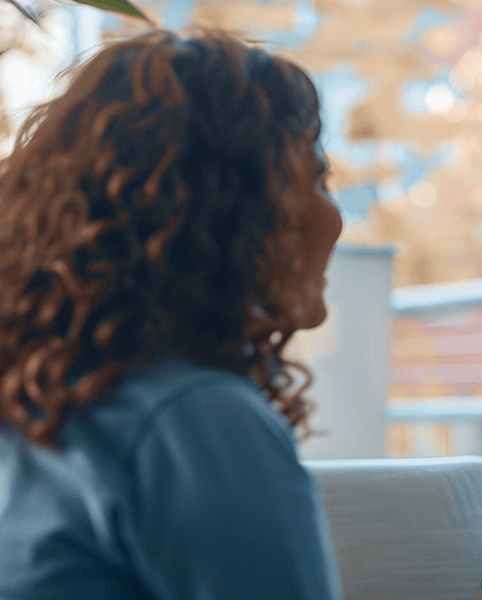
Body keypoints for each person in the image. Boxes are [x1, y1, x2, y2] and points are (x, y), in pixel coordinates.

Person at [0, 27, 343, 599]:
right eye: (318, 177)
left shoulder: (40, 408)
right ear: (232, 212)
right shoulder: (191, 419)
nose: (333, 217)